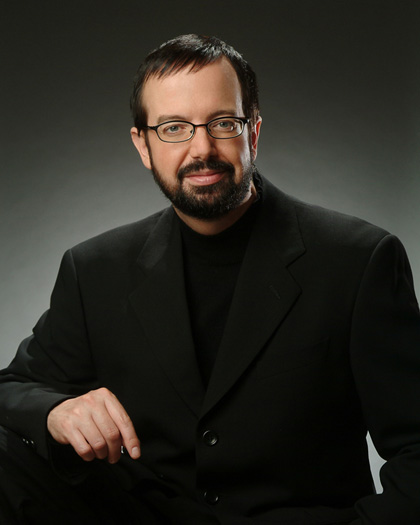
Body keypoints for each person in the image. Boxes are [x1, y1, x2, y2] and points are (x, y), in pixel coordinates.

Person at [1, 34, 420, 525]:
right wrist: (56, 413)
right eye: (174, 128)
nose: (201, 149)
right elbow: (15, 387)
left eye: (223, 123)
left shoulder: (361, 260)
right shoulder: (93, 269)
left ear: (253, 133)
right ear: (143, 145)